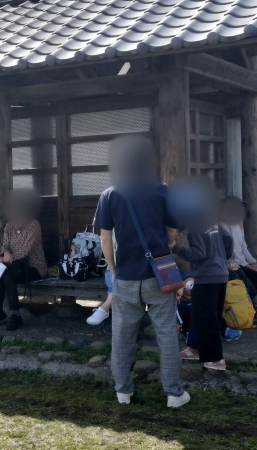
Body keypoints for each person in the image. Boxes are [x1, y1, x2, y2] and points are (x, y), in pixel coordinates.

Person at [94, 135, 190, 408]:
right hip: (158, 276)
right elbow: (174, 226)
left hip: (125, 276)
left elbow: (104, 239)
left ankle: (123, 391)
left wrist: (114, 270)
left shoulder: (110, 195)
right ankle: (174, 393)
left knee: (122, 337)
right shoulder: (161, 190)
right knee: (167, 334)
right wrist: (169, 241)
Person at [172, 222, 234, 372]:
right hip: (219, 274)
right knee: (198, 314)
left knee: (207, 319)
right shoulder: (213, 222)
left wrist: (176, 248)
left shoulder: (194, 227)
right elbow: (228, 240)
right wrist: (220, 258)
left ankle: (215, 358)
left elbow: (199, 253)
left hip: (206, 277)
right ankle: (195, 348)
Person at [0, 188, 47, 331]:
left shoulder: (34, 225)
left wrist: (3, 258)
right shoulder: (9, 225)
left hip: (34, 266)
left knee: (6, 275)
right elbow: (4, 245)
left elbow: (25, 251)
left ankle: (15, 315)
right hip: (12, 265)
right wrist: (4, 253)